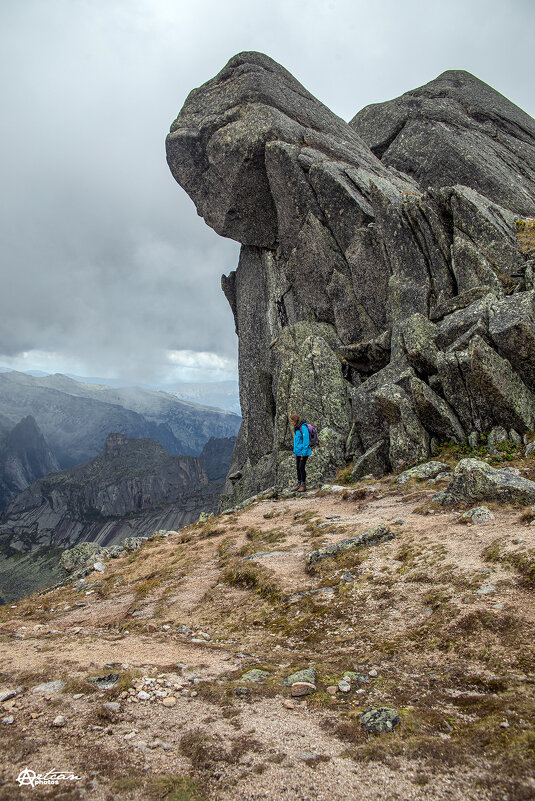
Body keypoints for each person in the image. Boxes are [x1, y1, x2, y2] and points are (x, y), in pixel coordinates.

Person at [290, 413, 311, 492]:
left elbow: (306, 441)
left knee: (301, 467)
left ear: (296, 420)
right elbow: (296, 441)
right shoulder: (296, 428)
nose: (291, 423)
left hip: (303, 452)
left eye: (292, 421)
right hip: (298, 452)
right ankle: (299, 484)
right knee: (298, 468)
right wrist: (295, 451)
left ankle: (303, 485)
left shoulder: (303, 427)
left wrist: (304, 452)